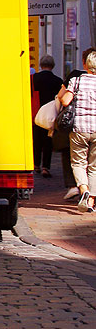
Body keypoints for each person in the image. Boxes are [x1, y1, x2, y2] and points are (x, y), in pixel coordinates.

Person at [57, 50, 96, 212]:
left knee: (79, 162)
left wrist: (61, 96)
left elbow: (65, 100)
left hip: (79, 128)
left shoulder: (76, 80)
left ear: (85, 64)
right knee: (94, 166)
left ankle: (84, 190)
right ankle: (91, 203)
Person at [32, 55, 62, 178]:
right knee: (48, 140)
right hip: (51, 114)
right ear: (53, 65)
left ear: (40, 64)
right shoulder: (58, 81)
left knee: (36, 139)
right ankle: (46, 167)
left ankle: (36, 165)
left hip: (36, 113)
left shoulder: (33, 79)